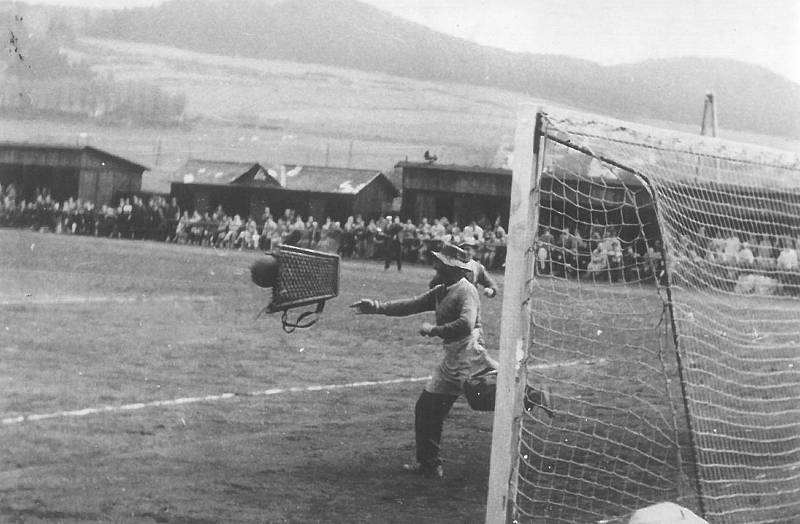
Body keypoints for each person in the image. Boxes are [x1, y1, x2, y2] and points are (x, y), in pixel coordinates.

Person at [350, 243, 498, 478]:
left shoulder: (465, 290)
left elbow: (466, 324)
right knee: (427, 408)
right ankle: (429, 464)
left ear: (454, 268)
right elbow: (413, 304)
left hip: (470, 356)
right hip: (452, 359)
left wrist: (435, 330)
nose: (436, 265)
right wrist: (377, 307)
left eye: (441, 262)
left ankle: (532, 397)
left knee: (495, 400)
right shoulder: (442, 289)